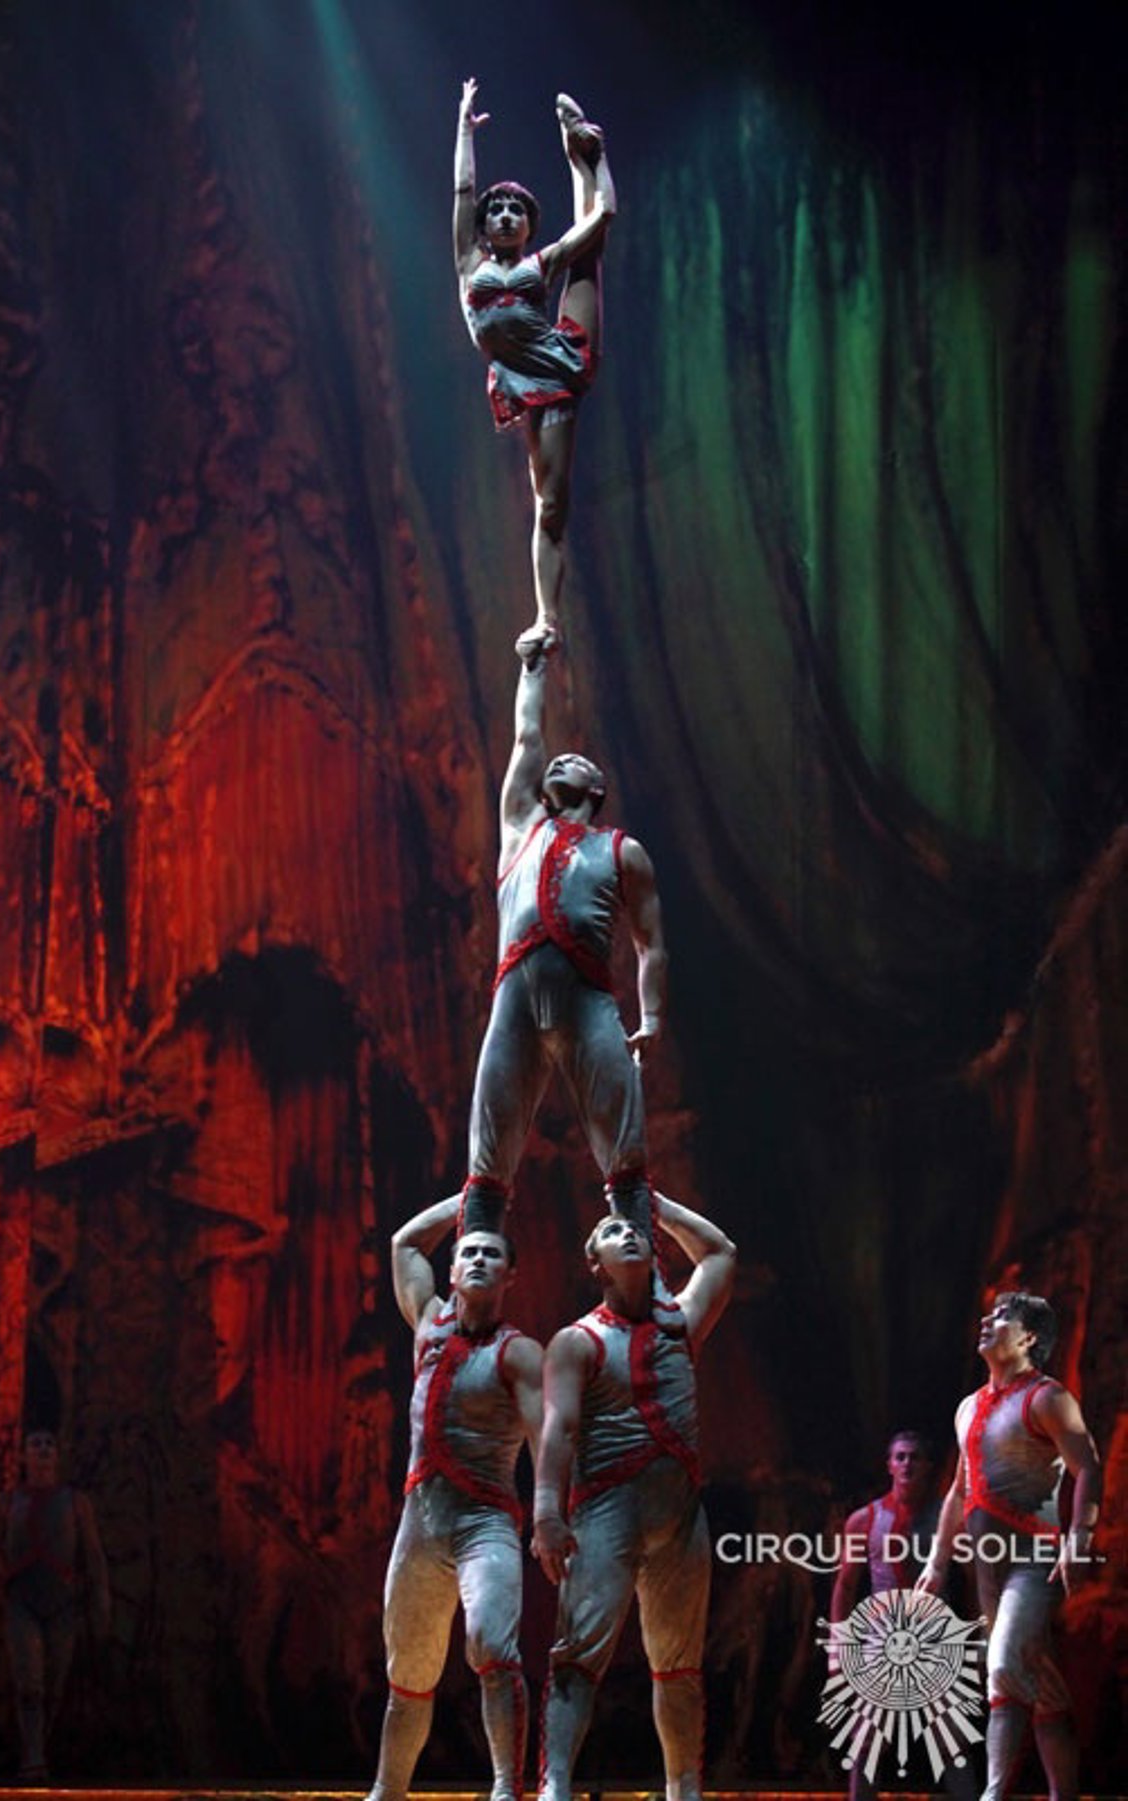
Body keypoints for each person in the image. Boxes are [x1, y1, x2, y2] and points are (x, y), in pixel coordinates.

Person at [460, 625, 666, 1255]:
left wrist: (652, 1017)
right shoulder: (519, 828)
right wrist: (533, 669)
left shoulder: (622, 851)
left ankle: (644, 1282)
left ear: (596, 790)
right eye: (555, 763)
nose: (557, 761)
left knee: (624, 1148)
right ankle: (473, 1288)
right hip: (515, 1001)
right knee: (488, 1152)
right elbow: (528, 736)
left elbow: (651, 944)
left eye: (572, 762)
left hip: (586, 1002)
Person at [531, 1194, 736, 1801]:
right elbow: (559, 1428)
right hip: (604, 1510)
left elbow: (721, 1253)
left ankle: (683, 1788)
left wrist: (654, 1205)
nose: (628, 1235)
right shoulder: (576, 1341)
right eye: (612, 1232)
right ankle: (555, 1786)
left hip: (680, 1517)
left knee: (679, 1667)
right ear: (593, 1263)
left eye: (635, 1231)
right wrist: (546, 1513)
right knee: (577, 1657)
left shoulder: (680, 1322)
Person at [365, 1196, 543, 1801]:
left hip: (485, 1523)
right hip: (421, 1524)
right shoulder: (429, 1324)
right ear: (452, 1269)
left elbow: (547, 1437)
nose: (479, 1260)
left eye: (492, 1254)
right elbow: (404, 1244)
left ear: (510, 1275)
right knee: (408, 1676)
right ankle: (388, 1791)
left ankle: (506, 1789)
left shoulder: (519, 1353)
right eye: (469, 1252)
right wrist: (468, 1200)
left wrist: (549, 1513)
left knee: (492, 1646)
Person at [916, 1292, 1102, 1801]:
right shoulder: (968, 1407)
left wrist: (1078, 1538)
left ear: (1028, 1338)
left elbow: (1088, 1466)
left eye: (1002, 1317)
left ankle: (992, 1794)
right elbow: (960, 1490)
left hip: (1033, 1562)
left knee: (1002, 1668)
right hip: (988, 1571)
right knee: (1041, 1683)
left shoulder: (1046, 1398)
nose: (986, 1320)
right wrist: (937, 1563)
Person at [454, 78, 615, 635]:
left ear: (528, 225)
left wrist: (600, 166)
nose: (503, 215)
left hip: (561, 363)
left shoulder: (538, 263)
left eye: (515, 210)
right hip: (521, 379)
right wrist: (464, 130)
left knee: (588, 256)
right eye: (496, 209)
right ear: (482, 226)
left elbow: (602, 218)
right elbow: (463, 191)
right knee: (545, 505)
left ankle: (580, 151)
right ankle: (546, 619)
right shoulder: (469, 263)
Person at [831, 1431, 977, 1801]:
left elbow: (974, 1582)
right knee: (866, 1743)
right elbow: (845, 1586)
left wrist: (979, 1639)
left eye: (914, 1456)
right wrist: (838, 1647)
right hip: (882, 1643)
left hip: (935, 1642)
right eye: (900, 1457)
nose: (907, 1463)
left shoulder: (949, 1520)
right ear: (889, 1466)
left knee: (952, 1743)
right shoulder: (864, 1520)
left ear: (928, 1466)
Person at [0, 1426, 110, 1784]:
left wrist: (101, 1604)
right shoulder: (8, 1503)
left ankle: (36, 1748)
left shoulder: (76, 1502)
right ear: (23, 1456)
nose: (43, 1449)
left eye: (49, 1444)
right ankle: (33, 1758)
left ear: (57, 1455)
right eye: (35, 1444)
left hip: (62, 1604)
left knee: (54, 1684)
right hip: (22, 1603)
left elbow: (94, 1557)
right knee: (29, 1682)